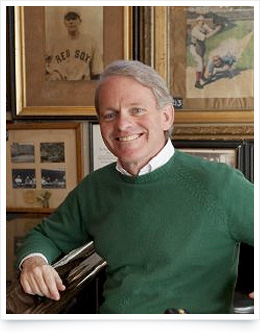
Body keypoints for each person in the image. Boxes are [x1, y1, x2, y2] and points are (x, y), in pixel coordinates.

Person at [17, 60, 254, 314]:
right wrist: (33, 263)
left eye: (137, 110)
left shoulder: (219, 184)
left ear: (166, 116)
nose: (122, 125)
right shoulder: (95, 188)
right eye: (110, 115)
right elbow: (45, 236)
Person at [45, 8, 103, 81]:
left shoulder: (90, 42)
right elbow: (47, 70)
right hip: (61, 87)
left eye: (74, 18)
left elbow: (97, 72)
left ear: (80, 21)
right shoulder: (56, 44)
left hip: (83, 86)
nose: (71, 22)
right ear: (64, 22)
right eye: (68, 19)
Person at [190, 15, 222, 89]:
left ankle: (202, 76)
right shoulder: (195, 30)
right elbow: (205, 37)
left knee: (205, 63)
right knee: (200, 64)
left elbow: (211, 31)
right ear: (197, 22)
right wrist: (216, 30)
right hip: (194, 48)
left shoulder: (203, 26)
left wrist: (216, 27)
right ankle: (197, 83)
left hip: (201, 46)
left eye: (203, 21)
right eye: (200, 21)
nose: (202, 22)